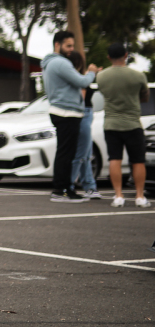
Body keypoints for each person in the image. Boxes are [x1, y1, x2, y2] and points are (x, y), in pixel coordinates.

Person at [41, 31, 101, 202]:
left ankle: (64, 189)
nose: (71, 50)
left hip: (61, 112)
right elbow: (82, 82)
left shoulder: (50, 63)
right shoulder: (60, 63)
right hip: (67, 113)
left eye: (72, 46)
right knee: (66, 154)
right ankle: (61, 190)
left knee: (65, 152)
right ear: (57, 45)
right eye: (68, 46)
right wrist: (91, 72)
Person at [96, 42, 150, 208]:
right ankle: (140, 196)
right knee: (138, 160)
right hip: (133, 123)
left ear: (108, 57)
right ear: (126, 55)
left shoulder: (102, 76)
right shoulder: (138, 75)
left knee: (115, 159)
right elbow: (145, 97)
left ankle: (118, 196)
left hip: (111, 124)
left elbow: (103, 93)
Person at [67, 52, 101, 198]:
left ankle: (89, 186)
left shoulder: (79, 77)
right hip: (82, 114)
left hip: (86, 114)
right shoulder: (79, 79)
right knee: (82, 153)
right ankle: (70, 185)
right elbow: (81, 97)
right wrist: (90, 75)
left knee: (86, 153)